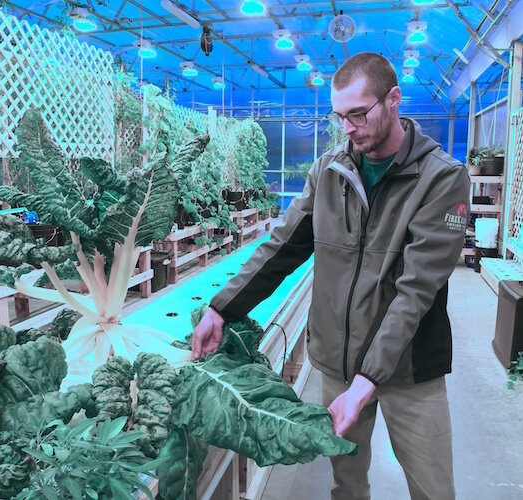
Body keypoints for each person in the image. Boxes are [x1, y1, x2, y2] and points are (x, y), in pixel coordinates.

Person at [191, 52, 470, 500]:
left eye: (358, 114)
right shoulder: (329, 171)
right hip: (340, 365)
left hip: (410, 370)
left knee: (433, 489)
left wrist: (369, 380)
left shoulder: (442, 179)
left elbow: (415, 292)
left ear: (394, 99)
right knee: (346, 484)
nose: (348, 128)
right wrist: (222, 308)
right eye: (339, 116)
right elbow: (280, 248)